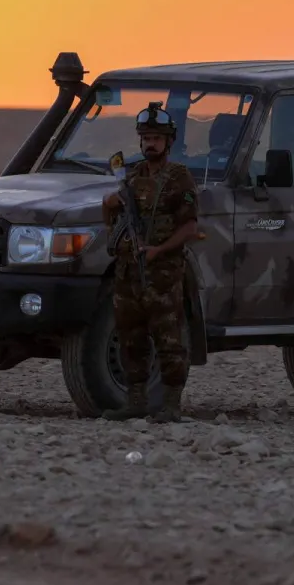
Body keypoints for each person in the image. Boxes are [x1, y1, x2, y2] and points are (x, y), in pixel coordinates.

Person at [100, 102, 200, 423]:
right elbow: (110, 218)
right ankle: (136, 401)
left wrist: (159, 250)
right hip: (128, 272)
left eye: (156, 138)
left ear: (168, 142)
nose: (150, 144)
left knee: (168, 338)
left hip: (162, 274)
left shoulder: (179, 178)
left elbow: (190, 227)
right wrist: (109, 203)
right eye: (146, 138)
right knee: (130, 337)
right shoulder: (130, 177)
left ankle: (171, 405)